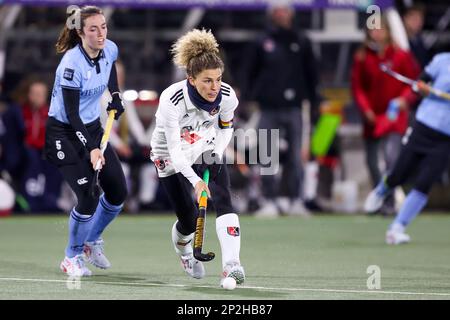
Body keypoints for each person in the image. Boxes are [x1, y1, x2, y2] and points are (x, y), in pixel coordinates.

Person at [150, 29, 244, 287]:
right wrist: (195, 181)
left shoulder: (227, 96)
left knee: (224, 198)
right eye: (207, 81)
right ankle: (185, 253)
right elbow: (174, 151)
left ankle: (232, 265)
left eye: (218, 79)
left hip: (203, 146)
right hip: (169, 156)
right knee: (188, 220)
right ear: (191, 79)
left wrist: (216, 152)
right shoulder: (172, 100)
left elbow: (226, 129)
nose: (215, 87)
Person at [44, 5, 127, 277]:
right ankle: (71, 256)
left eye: (103, 27)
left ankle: (91, 240)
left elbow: (110, 68)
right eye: (93, 29)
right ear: (80, 33)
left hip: (91, 126)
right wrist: (91, 148)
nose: (101, 33)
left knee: (118, 192)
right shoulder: (71, 64)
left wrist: (115, 94)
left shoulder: (110, 48)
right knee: (89, 196)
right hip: (63, 133)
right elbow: (70, 113)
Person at [240, 0, 320, 217]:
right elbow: (248, 73)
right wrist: (247, 100)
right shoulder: (261, 42)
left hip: (295, 107)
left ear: (291, 14)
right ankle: (269, 201)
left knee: (296, 157)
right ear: (272, 14)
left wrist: (315, 104)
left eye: (285, 10)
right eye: (278, 11)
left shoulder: (302, 41)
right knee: (267, 156)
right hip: (268, 107)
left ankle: (296, 200)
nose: (282, 14)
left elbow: (312, 76)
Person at [364, 52, 450, 244]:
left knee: (424, 182)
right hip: (424, 127)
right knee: (400, 174)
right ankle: (382, 190)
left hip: (446, 139)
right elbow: (419, 83)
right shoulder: (442, 60)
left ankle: (397, 228)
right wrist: (423, 88)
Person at [351, 15, 420, 216]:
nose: (376, 33)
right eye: (372, 29)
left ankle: (389, 200)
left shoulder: (400, 55)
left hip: (394, 116)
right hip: (372, 117)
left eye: (380, 29)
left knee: (392, 159)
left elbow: (413, 83)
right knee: (372, 161)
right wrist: (366, 110)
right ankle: (378, 198)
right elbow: (358, 88)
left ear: (388, 31)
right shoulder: (362, 57)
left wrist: (403, 101)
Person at [402, 4, 430, 69]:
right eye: (414, 19)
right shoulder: (399, 42)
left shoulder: (419, 40)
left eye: (421, 19)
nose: (418, 22)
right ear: (405, 19)